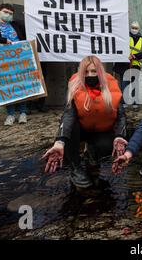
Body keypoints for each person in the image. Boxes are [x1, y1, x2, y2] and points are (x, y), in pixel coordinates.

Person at [41, 56, 127, 189]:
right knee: (69, 131)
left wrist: (120, 136)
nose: (90, 75)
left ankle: (92, 152)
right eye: (86, 72)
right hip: (82, 129)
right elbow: (68, 115)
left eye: (93, 71)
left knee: (107, 145)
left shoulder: (112, 85)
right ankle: (75, 166)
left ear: (100, 72)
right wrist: (60, 141)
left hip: (101, 130)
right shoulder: (75, 85)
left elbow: (121, 115)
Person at [0, 3, 28, 126]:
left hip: (19, 61)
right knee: (8, 88)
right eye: (5, 12)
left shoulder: (16, 25)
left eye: (10, 13)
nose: (8, 15)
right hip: (2, 64)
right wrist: (2, 40)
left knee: (22, 86)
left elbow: (26, 38)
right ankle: (11, 114)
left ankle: (23, 113)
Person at [113, 21, 142, 107]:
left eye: (136, 28)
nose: (134, 29)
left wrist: (134, 56)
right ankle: (124, 102)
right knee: (124, 83)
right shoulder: (125, 37)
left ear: (138, 29)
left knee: (134, 84)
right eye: (133, 27)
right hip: (124, 64)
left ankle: (134, 102)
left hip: (135, 64)